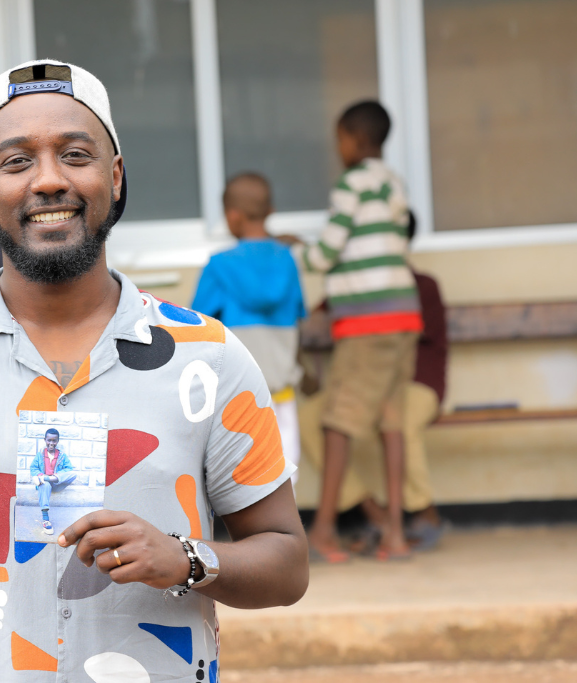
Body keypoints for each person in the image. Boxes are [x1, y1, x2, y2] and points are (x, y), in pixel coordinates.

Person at [0, 59, 308, 682]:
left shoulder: (209, 359)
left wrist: (186, 559)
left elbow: (287, 563)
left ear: (114, 176)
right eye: (17, 161)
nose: (49, 180)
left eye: (75, 154)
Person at [292, 100, 422, 563]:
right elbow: (402, 239)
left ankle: (324, 530)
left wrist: (292, 252)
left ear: (351, 137)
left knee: (337, 423)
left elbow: (326, 254)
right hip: (405, 315)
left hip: (368, 321)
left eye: (339, 139)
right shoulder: (393, 183)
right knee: (391, 422)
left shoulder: (351, 185)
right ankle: (394, 535)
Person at [297, 211, 446, 551]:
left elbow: (411, 343)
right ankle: (374, 512)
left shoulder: (422, 286)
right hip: (364, 382)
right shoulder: (354, 282)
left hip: (415, 381)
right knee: (310, 418)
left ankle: (424, 512)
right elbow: (319, 315)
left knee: (397, 420)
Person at [191, 173, 306, 485]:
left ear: (233, 216)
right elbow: (300, 316)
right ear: (270, 211)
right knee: (285, 464)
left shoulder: (219, 265)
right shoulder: (287, 260)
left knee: (237, 464)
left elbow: (197, 325)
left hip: (237, 390)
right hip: (281, 385)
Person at [29, 428, 77, 534]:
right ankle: (45, 519)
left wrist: (54, 476)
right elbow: (33, 468)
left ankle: (46, 478)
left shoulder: (62, 456)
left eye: (54, 440)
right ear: (45, 440)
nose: (51, 443)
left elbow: (68, 469)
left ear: (57, 441)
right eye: (49, 440)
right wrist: (41, 475)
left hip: (56, 482)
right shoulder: (40, 454)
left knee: (73, 473)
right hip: (44, 484)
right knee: (45, 485)